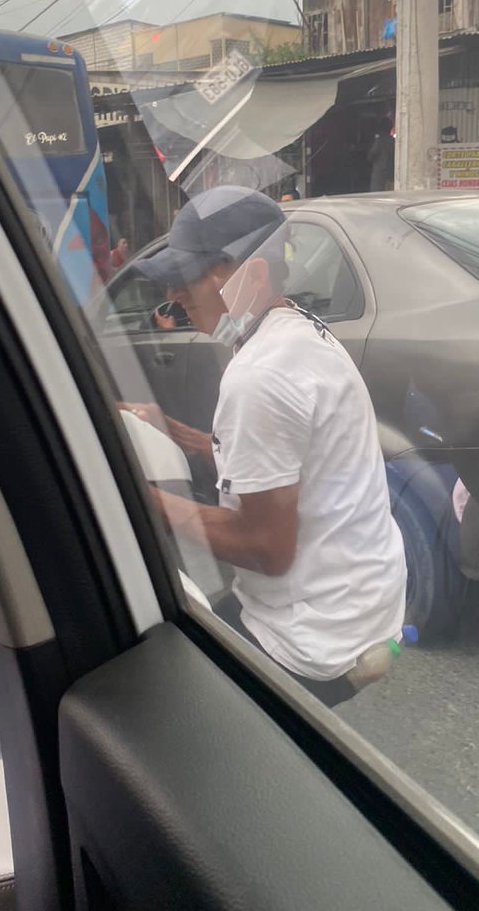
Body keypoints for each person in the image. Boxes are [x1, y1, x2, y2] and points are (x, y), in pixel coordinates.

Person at [132, 186, 407, 707]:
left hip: (310, 635)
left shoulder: (261, 375)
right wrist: (175, 433)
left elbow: (266, 549)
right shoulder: (300, 331)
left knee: (167, 701)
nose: (175, 296)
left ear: (251, 275)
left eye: (188, 278)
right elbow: (282, 469)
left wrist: (144, 500)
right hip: (364, 602)